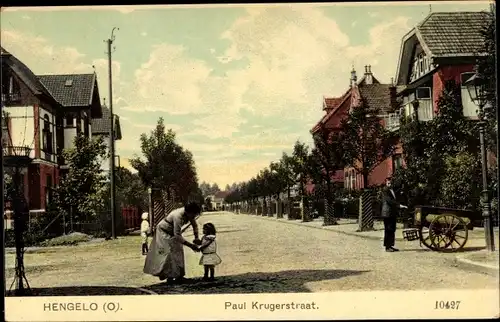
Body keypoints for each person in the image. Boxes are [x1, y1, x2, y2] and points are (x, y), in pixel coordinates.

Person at [143, 202, 202, 284]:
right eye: (193, 215)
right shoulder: (178, 215)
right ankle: (169, 277)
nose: (193, 217)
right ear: (189, 212)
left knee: (179, 252)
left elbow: (194, 225)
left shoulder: (189, 214)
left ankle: (180, 276)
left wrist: (196, 237)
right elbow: (177, 235)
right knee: (168, 254)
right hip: (163, 232)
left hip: (172, 232)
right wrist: (191, 246)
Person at [381, 177, 407, 252]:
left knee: (392, 229)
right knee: (388, 230)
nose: (390, 184)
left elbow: (396, 197)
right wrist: (399, 205)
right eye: (388, 183)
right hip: (387, 213)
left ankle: (391, 245)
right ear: (385, 183)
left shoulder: (392, 190)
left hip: (391, 213)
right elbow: (390, 201)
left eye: (391, 183)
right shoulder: (385, 190)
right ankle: (387, 247)